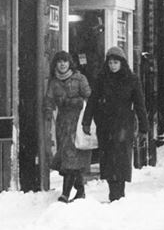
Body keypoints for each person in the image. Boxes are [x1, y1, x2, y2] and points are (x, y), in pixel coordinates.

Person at [81, 47, 149, 202]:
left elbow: (139, 104)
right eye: (110, 62)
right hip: (105, 124)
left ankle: (119, 192)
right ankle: (113, 190)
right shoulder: (101, 79)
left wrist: (144, 127)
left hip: (124, 123)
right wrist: (87, 120)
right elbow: (92, 100)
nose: (113, 66)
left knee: (121, 157)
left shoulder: (132, 80)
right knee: (108, 158)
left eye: (116, 62)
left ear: (122, 63)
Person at [44, 51, 92, 203]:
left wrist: (75, 102)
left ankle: (65, 193)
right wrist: (47, 111)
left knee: (70, 157)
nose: (62, 64)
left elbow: (89, 96)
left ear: (69, 63)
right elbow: (49, 99)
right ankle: (81, 190)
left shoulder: (79, 78)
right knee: (67, 158)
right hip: (62, 123)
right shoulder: (54, 82)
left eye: (65, 61)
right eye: (59, 62)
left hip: (77, 123)